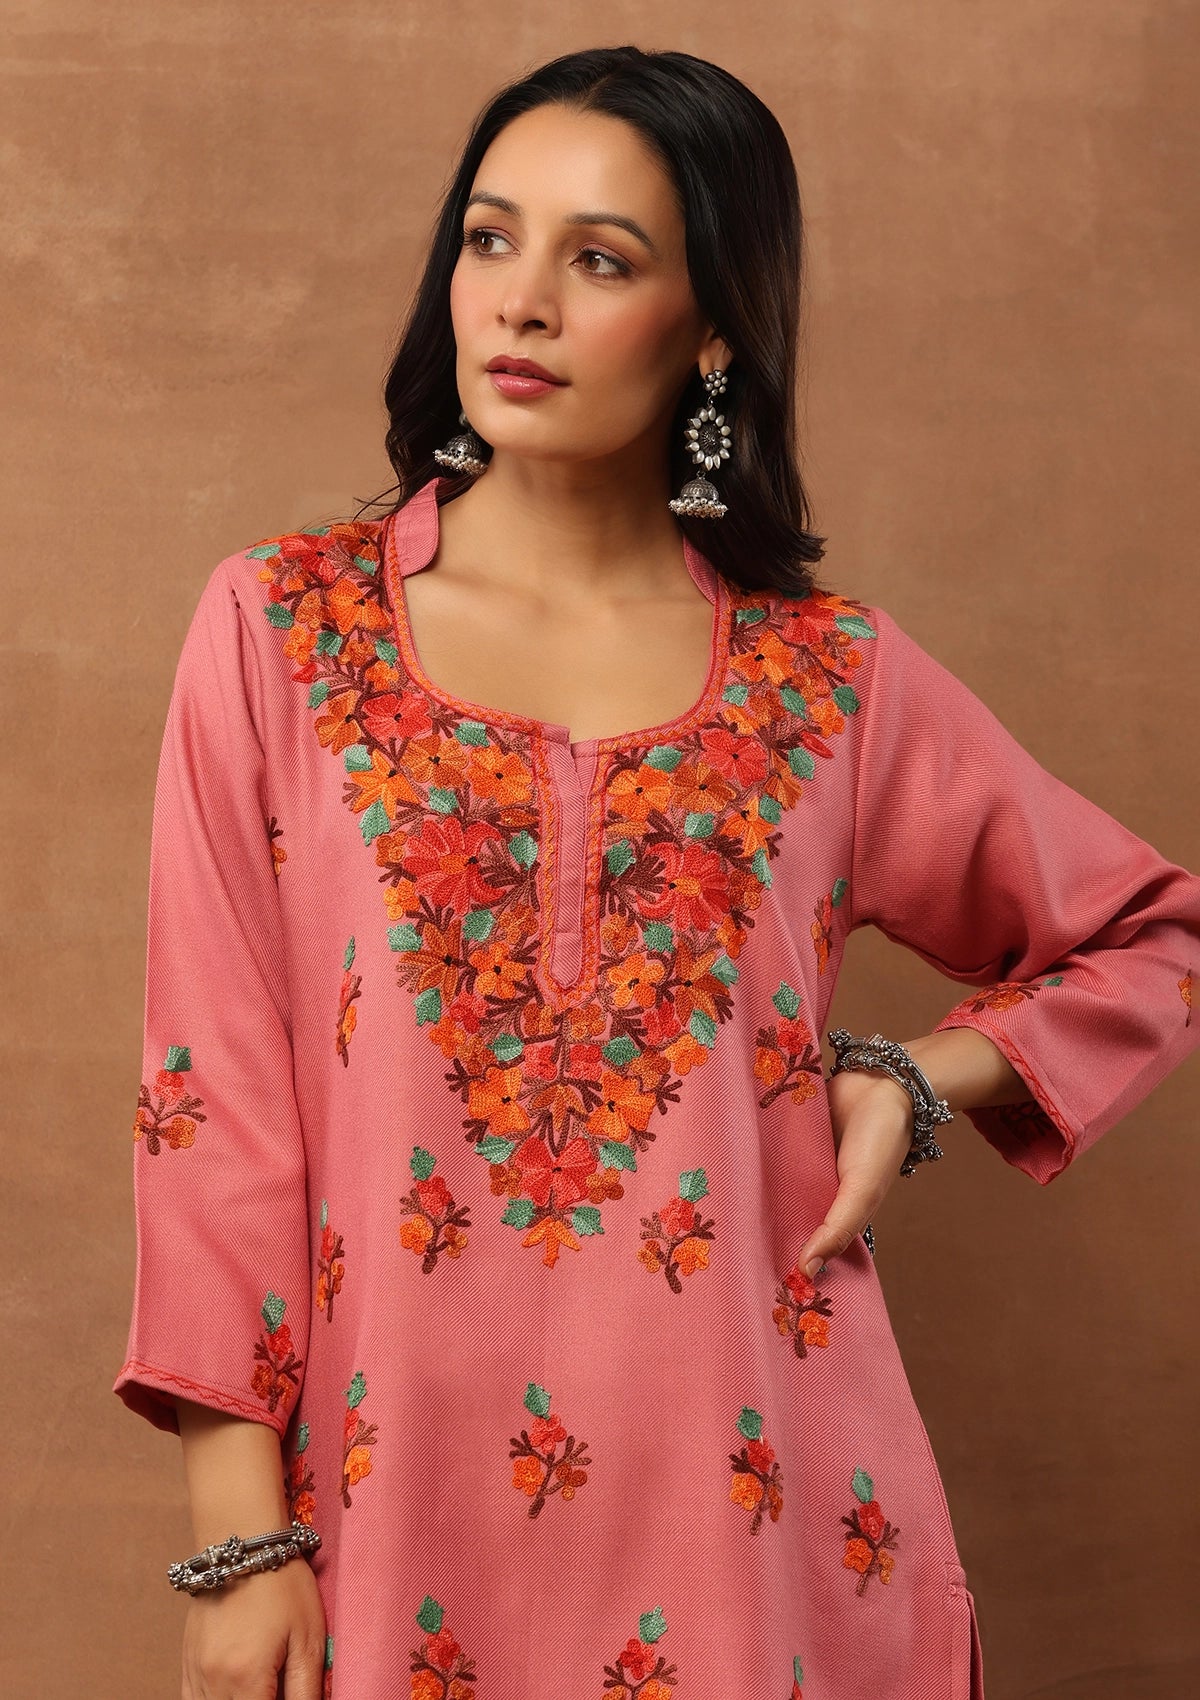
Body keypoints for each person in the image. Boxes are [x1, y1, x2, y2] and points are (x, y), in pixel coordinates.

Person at [112, 44, 1200, 1700]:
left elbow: (1153, 936)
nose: (522, 301)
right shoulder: (283, 630)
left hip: (761, 1542)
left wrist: (920, 1075)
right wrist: (241, 1543)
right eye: (490, 240)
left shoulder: (825, 686)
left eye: (601, 260)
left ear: (712, 331)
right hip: (387, 1530)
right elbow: (216, 1101)